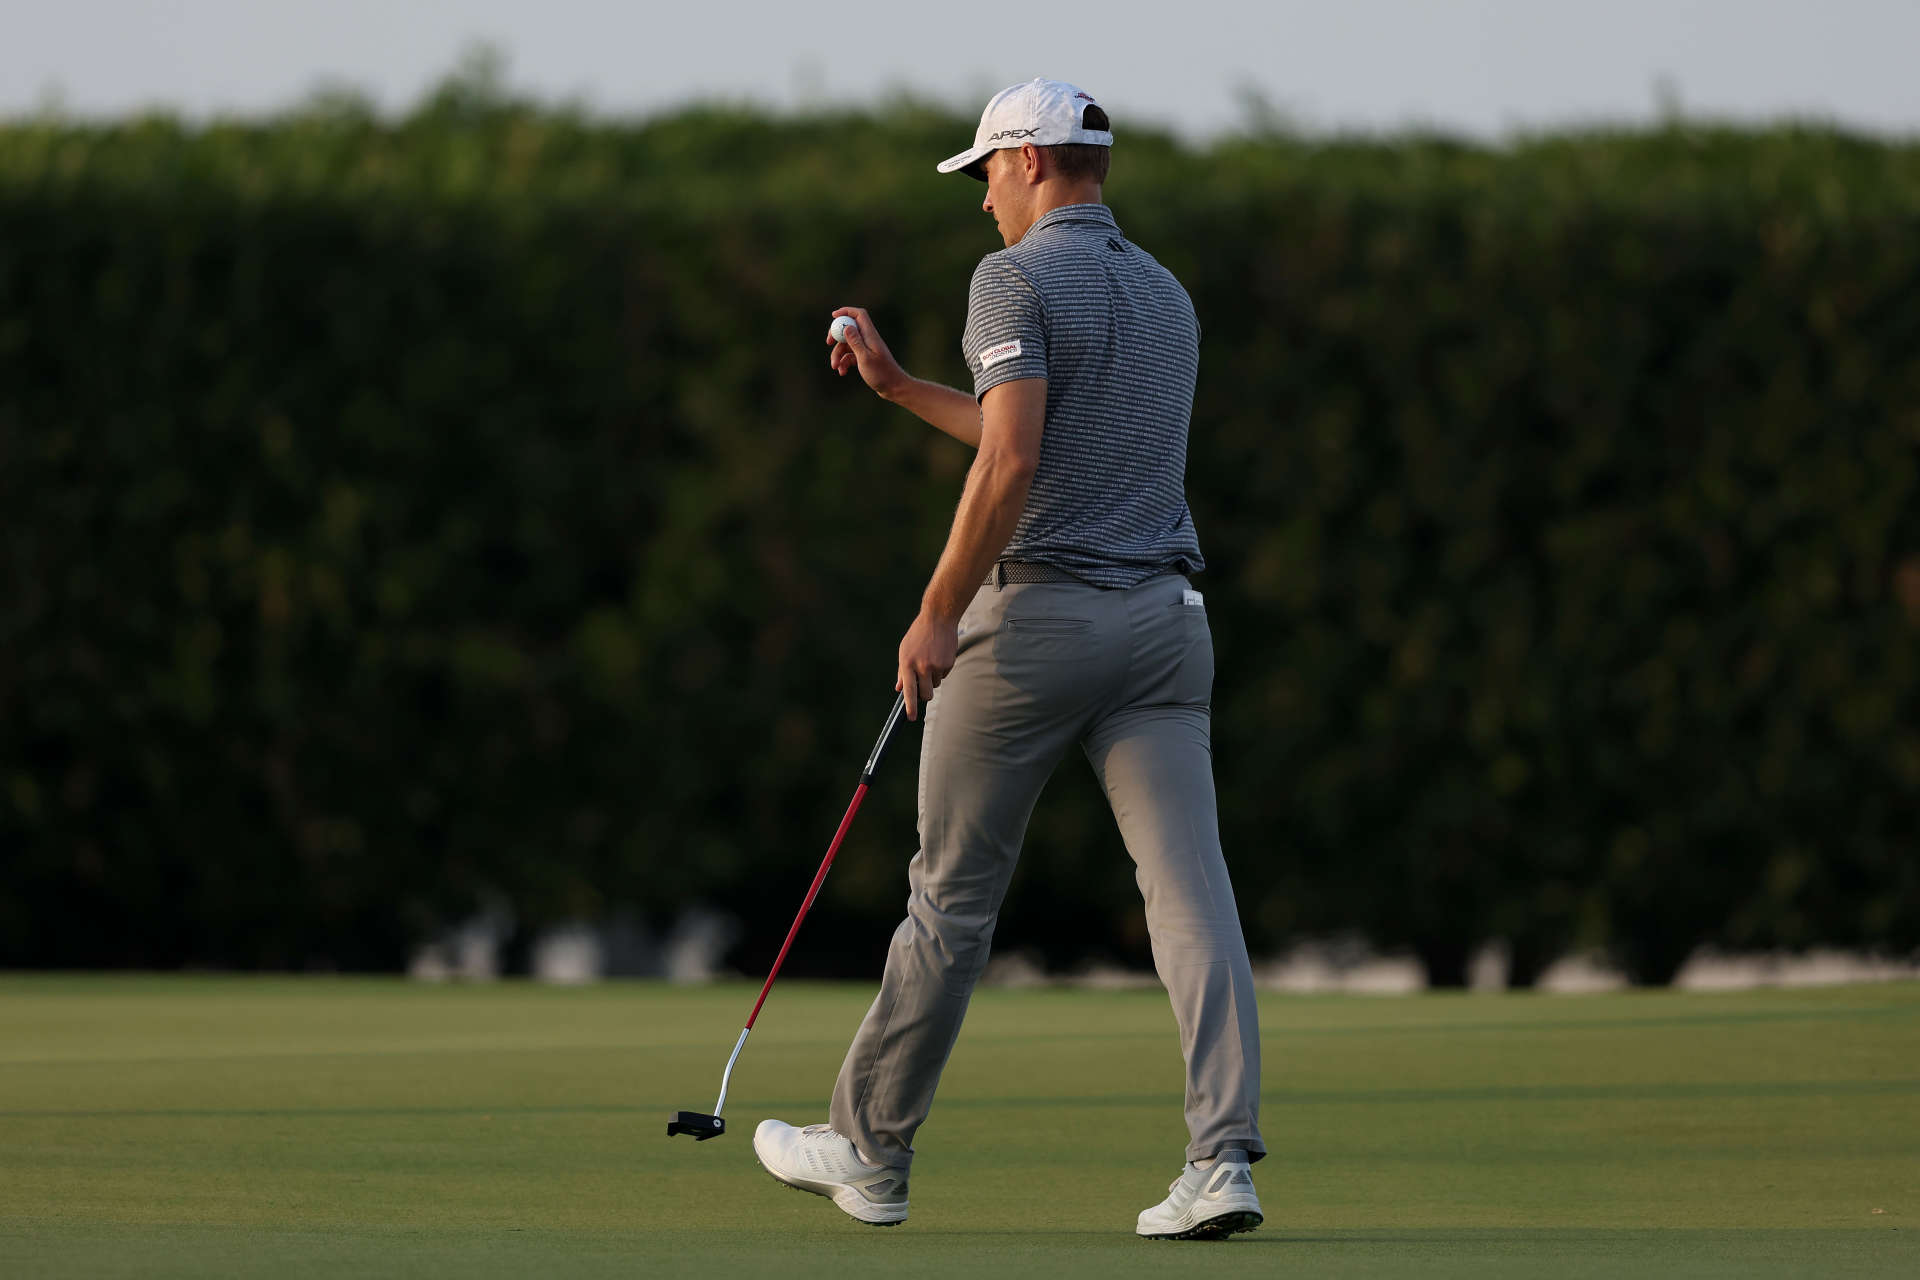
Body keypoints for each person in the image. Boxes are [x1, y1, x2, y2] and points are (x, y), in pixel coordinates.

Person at [753, 78, 1265, 1241]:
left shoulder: (1012, 278)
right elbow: (1026, 424)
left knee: (951, 899)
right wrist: (898, 390)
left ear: (1030, 160)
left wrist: (937, 608)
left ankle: (871, 1150)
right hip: (1167, 630)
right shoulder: (1165, 292)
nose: (982, 198)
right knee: (1192, 899)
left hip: (1035, 628)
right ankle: (1222, 1157)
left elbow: (1016, 462)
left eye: (986, 170)